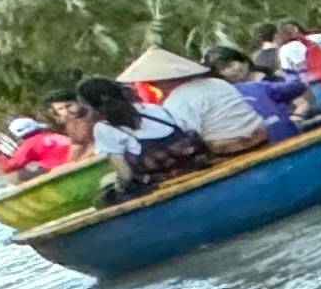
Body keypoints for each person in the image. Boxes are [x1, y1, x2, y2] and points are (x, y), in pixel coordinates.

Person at [72, 74, 232, 197]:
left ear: (89, 106)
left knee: (106, 188)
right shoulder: (151, 109)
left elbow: (125, 175)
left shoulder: (104, 128)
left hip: (161, 181)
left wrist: (119, 188)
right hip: (197, 164)